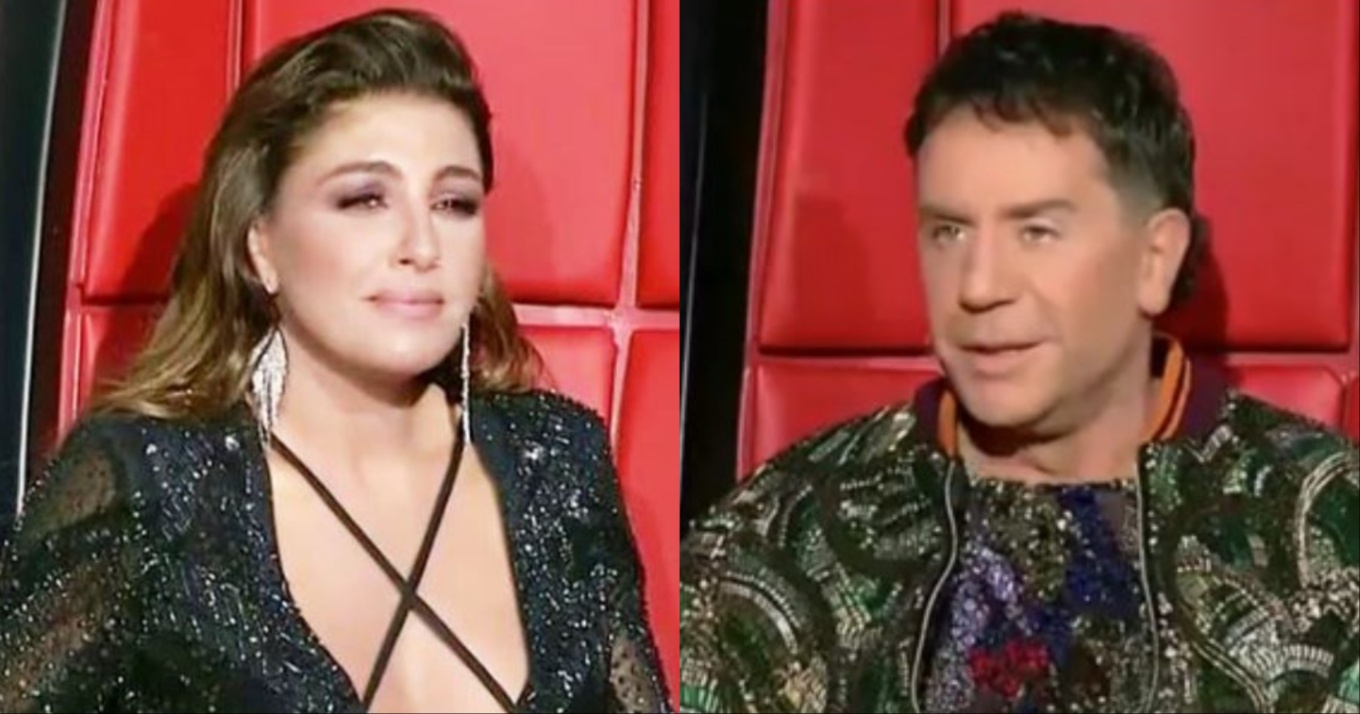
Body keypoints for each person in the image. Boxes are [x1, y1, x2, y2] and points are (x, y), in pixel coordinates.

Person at [680, 11, 1358, 714]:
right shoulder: (778, 533)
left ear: (1155, 259)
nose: (977, 286)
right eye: (949, 231)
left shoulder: (1326, 527)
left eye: (1035, 231)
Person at [0, 8, 670, 713]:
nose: (422, 246)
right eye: (365, 199)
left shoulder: (559, 462)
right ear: (260, 245)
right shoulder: (153, 485)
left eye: (453, 202)